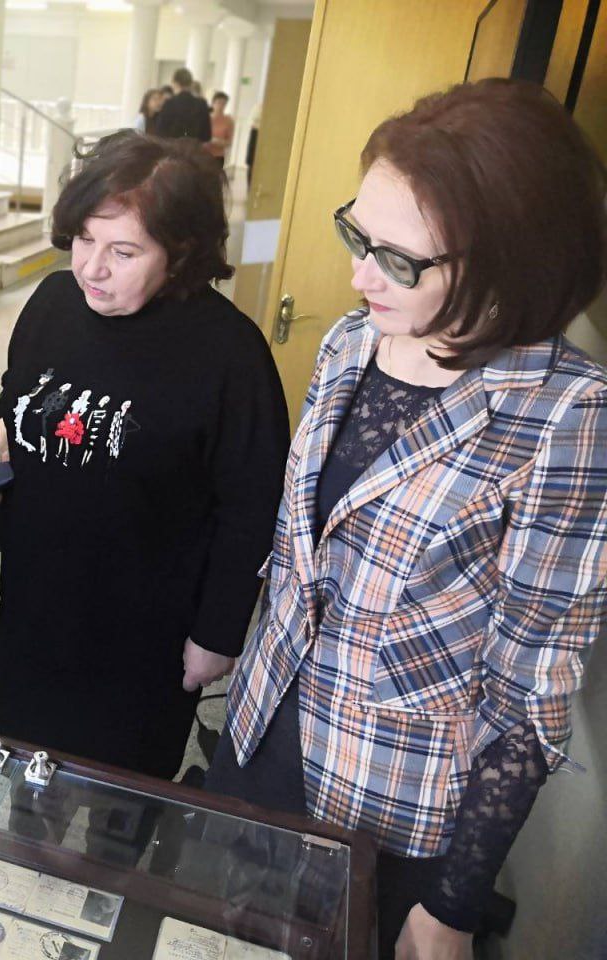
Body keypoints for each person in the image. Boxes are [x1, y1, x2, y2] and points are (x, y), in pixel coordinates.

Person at [206, 79, 607, 959]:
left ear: (510, 260)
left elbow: (529, 692)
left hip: (384, 799)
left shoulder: (565, 412)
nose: (359, 276)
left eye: (398, 259)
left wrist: (453, 903)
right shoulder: (352, 341)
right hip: (261, 730)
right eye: (358, 236)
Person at [0, 131, 289, 783]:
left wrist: (218, 635)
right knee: (21, 775)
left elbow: (252, 507)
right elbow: (19, 393)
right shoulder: (53, 305)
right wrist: (1, 435)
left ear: (181, 252)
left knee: (125, 800)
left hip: (147, 628)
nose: (92, 268)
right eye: (84, 240)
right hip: (36, 602)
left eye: (124, 251)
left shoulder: (229, 354)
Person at [155, 67, 211, 142]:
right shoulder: (201, 104)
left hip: (172, 147)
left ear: (175, 83)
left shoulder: (169, 103)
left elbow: (160, 132)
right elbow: (207, 136)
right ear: (190, 83)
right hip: (193, 147)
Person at [206, 91, 234, 164]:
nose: (221, 106)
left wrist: (218, 142)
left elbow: (229, 142)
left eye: (224, 104)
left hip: (218, 156)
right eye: (219, 103)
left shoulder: (229, 121)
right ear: (213, 103)